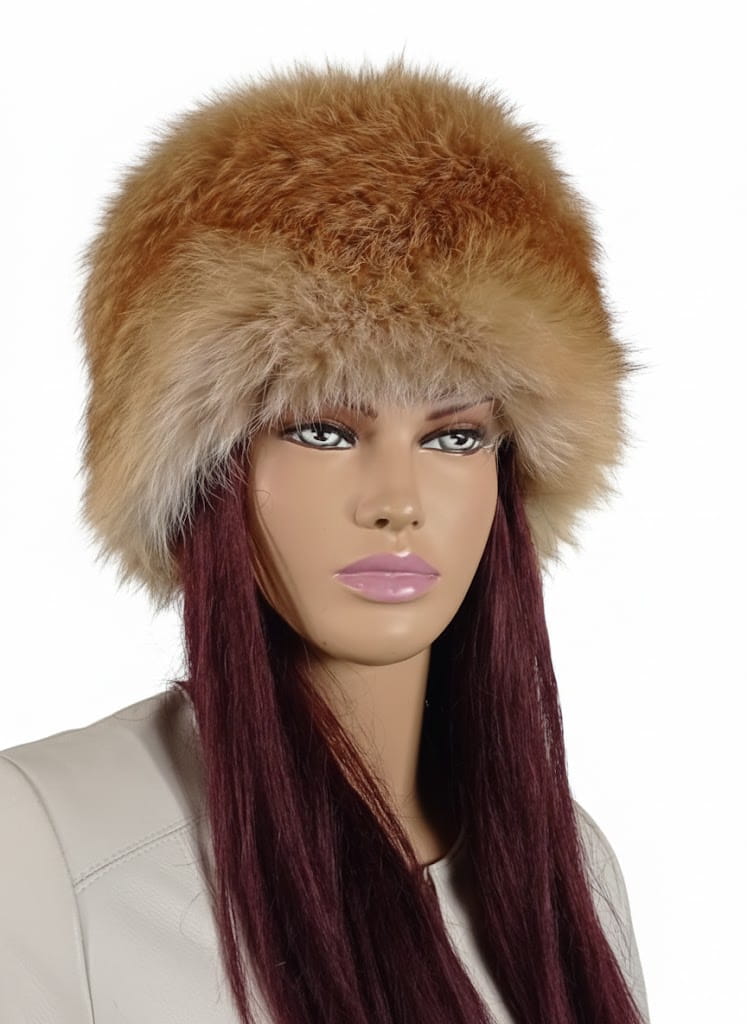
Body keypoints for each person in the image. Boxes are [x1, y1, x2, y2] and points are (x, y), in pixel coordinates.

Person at [0, 57, 650, 1023]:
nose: (396, 501)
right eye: (323, 431)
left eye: (453, 437)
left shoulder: (569, 869)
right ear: (207, 471)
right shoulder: (46, 839)